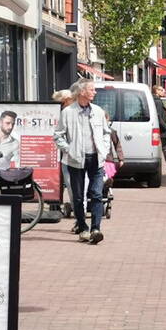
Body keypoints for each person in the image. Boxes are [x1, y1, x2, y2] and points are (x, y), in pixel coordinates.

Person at [54, 79, 113, 244]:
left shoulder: (98, 111)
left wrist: (104, 148)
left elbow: (106, 132)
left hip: (96, 159)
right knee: (78, 197)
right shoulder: (67, 112)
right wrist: (69, 149)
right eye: (92, 89)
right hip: (75, 159)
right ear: (82, 92)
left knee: (96, 194)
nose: (95, 92)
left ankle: (96, 229)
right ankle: (83, 228)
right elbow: (58, 136)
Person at [52, 89, 76, 223]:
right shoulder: (63, 113)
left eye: (60, 103)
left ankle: (79, 213)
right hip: (65, 155)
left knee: (73, 186)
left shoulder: (70, 113)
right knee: (70, 185)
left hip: (69, 156)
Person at [0, 110, 20, 175]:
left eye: (13, 124)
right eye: (7, 123)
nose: (11, 127)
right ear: (0, 122)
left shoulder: (15, 143)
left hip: (0, 179)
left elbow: (18, 164)